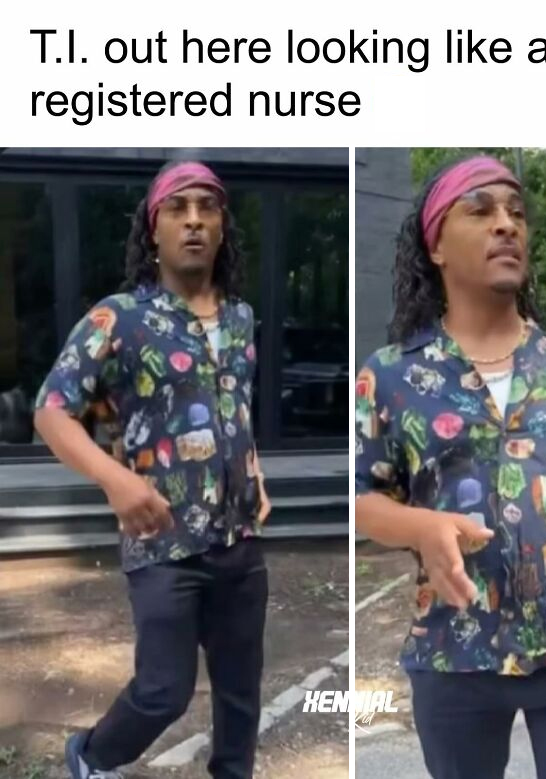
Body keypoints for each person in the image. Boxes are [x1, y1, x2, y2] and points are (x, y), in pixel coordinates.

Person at [354, 156, 546, 779]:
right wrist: (419, 527)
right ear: (436, 244)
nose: (506, 225)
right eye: (482, 210)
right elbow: (362, 498)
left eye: (516, 213)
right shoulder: (389, 375)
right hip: (452, 654)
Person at [34, 160, 271, 779]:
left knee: (241, 694)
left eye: (207, 208)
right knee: (164, 690)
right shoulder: (119, 318)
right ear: (154, 227)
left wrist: (256, 473)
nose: (194, 220)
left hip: (240, 543)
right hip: (162, 543)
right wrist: (117, 480)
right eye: (178, 208)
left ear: (222, 227)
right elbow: (51, 411)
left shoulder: (243, 320)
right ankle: (92, 757)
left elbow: (234, 408)